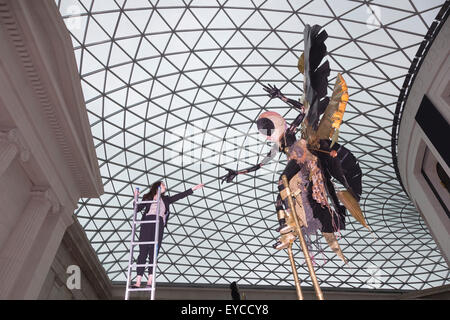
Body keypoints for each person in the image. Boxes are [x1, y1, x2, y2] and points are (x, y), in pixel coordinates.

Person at [131, 181, 204, 288]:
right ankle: (138, 281)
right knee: (143, 251)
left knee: (154, 252)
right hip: (147, 222)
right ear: (157, 186)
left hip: (159, 223)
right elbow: (137, 209)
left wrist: (193, 188)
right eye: (163, 185)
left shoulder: (166, 199)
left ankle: (150, 281)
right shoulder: (147, 197)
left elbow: (179, 196)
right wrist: (136, 198)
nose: (165, 186)